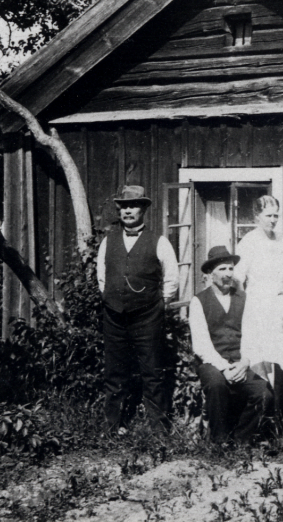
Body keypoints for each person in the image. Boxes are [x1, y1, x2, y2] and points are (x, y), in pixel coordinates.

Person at [96, 185, 179, 433]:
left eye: (133, 206)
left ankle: (159, 431)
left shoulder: (159, 242)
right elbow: (102, 279)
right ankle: (113, 428)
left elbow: (171, 280)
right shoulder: (108, 241)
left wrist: (154, 306)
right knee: (115, 372)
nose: (128, 211)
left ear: (143, 209)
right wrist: (115, 299)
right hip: (114, 316)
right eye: (124, 207)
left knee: (152, 372)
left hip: (148, 317)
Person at [189, 245, 273, 443]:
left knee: (264, 394)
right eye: (222, 269)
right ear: (210, 273)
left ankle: (241, 441)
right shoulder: (199, 301)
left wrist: (244, 363)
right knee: (217, 385)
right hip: (212, 363)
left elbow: (251, 335)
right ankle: (219, 441)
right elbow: (201, 345)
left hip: (240, 361)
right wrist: (225, 368)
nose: (228, 274)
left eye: (230, 269)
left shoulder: (243, 298)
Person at [234, 195, 283, 363]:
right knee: (258, 352)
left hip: (280, 301)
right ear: (257, 216)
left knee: (280, 350)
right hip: (257, 303)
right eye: (268, 215)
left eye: (276, 215)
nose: (273, 220)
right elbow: (238, 277)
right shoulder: (249, 241)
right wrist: (247, 304)